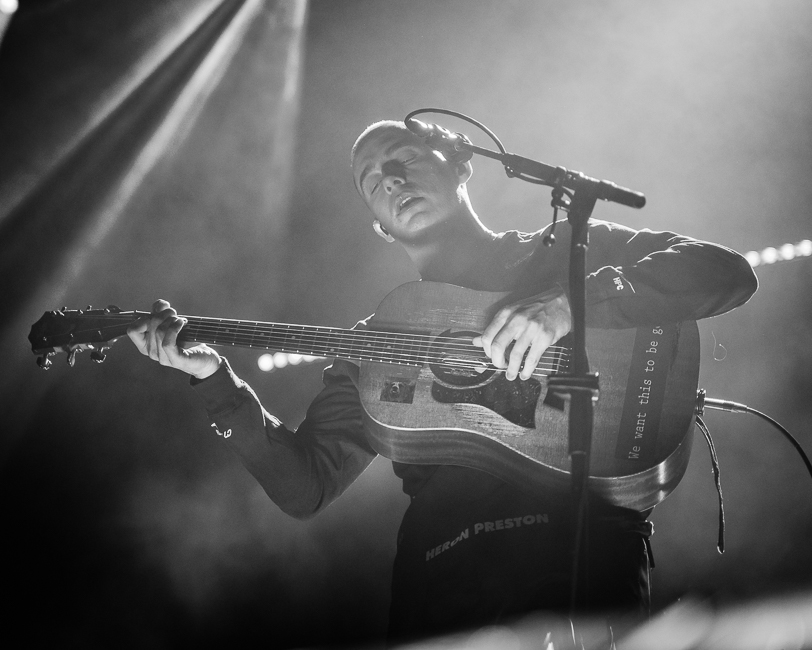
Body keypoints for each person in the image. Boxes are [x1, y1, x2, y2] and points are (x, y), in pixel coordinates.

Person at [128, 120, 758, 646]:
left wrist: (572, 303)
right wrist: (214, 380)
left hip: (584, 552)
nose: (390, 180)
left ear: (461, 168)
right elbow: (306, 486)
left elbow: (725, 272)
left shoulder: (566, 249)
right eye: (371, 181)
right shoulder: (376, 339)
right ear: (379, 224)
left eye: (402, 157)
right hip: (447, 574)